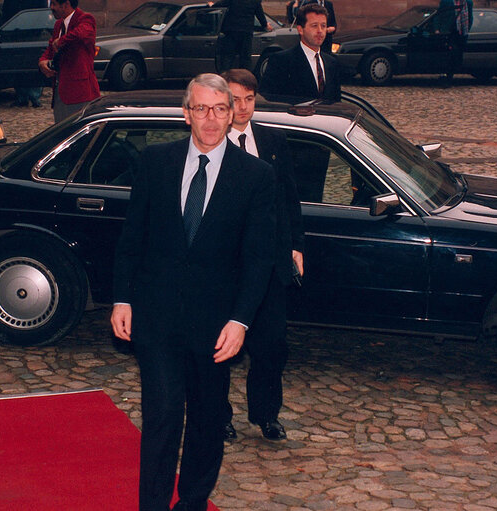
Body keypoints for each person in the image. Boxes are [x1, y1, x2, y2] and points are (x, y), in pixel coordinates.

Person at [111, 73, 275, 511]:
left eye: (220, 109)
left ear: (232, 113)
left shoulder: (255, 176)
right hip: (157, 317)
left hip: (215, 325)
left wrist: (241, 321)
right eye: (201, 109)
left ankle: (193, 502)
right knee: (162, 417)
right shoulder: (155, 162)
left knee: (206, 420)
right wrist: (122, 298)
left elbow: (259, 260)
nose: (211, 119)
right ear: (186, 114)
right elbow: (133, 238)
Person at [220, 69, 303, 442]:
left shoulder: (271, 139)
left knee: (271, 346)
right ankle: (218, 415)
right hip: (223, 268)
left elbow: (289, 199)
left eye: (249, 100)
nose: (242, 108)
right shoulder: (209, 142)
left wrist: (294, 246)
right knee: (217, 348)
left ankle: (266, 415)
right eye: (235, 100)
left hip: (268, 263)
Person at [258, 3, 340, 102]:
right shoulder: (281, 61)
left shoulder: (331, 62)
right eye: (314, 26)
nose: (320, 31)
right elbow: (269, 99)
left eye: (323, 26)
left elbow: (336, 101)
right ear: (300, 29)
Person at [38, 0, 100, 123]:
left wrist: (61, 41)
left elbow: (80, 34)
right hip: (60, 92)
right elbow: (51, 48)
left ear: (66, 4)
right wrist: (42, 61)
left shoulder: (85, 19)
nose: (51, 8)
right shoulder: (58, 25)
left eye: (54, 4)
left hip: (80, 93)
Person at [2, 0, 46, 107]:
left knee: (33, 67)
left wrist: (38, 30)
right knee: (18, 68)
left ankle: (34, 97)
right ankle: (22, 96)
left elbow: (41, 13)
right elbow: (6, 13)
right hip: (15, 34)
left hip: (33, 33)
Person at [208, 0, 272, 72]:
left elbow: (222, 3)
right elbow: (260, 14)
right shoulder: (255, 1)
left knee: (228, 57)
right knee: (245, 57)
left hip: (232, 31)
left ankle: (226, 76)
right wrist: (265, 25)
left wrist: (213, 5)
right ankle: (244, 77)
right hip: (246, 32)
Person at [439, 0, 473, 87]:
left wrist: (467, 29)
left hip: (462, 32)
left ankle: (450, 76)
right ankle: (446, 78)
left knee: (457, 56)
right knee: (449, 54)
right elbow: (439, 15)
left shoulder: (468, 2)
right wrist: (439, 29)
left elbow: (470, 17)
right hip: (449, 32)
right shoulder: (446, 1)